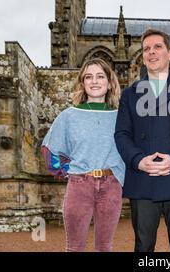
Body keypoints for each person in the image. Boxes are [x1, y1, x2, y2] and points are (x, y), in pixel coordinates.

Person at [115, 28, 170, 252]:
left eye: (157, 47)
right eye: (146, 49)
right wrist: (138, 161)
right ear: (142, 56)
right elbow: (121, 134)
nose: (151, 53)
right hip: (143, 180)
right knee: (143, 247)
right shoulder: (130, 94)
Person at [41, 58, 125, 252]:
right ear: (82, 83)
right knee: (75, 247)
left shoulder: (121, 116)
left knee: (104, 247)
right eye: (89, 77)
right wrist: (65, 170)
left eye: (100, 76)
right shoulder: (69, 115)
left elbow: (130, 149)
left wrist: (121, 175)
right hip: (79, 185)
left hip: (111, 186)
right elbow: (49, 148)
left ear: (110, 82)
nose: (94, 81)